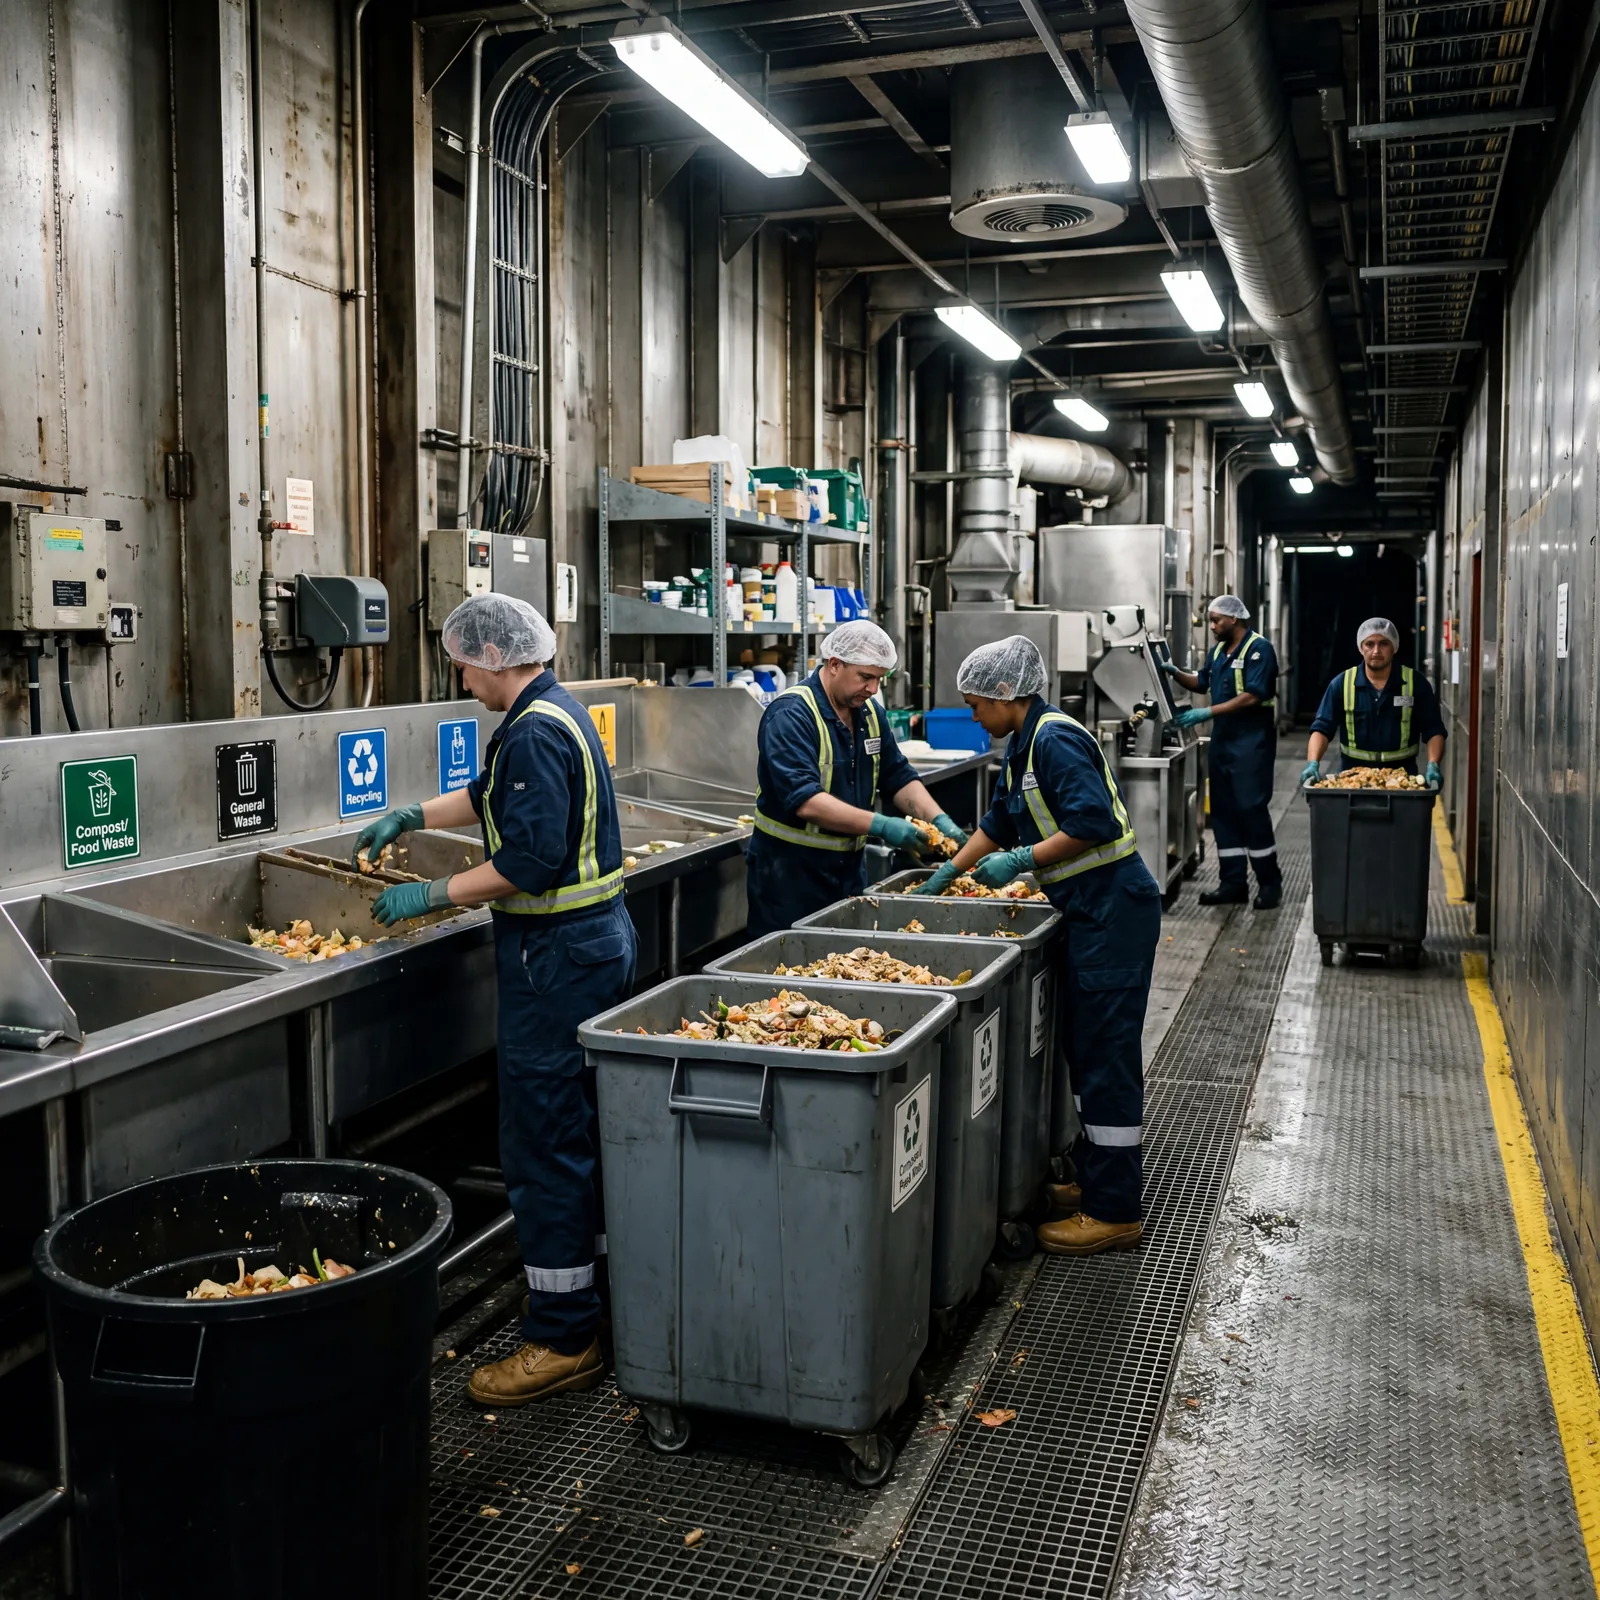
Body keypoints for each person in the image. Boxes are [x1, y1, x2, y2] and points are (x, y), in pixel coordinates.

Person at [354, 594, 634, 1407]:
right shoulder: (549, 712)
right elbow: (486, 796)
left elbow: (534, 861)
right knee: (579, 1129)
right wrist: (408, 816)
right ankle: (597, 1294)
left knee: (543, 1143)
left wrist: (432, 893)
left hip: (557, 957)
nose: (459, 675)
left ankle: (561, 1336)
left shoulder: (538, 729)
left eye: (461, 662)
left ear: (494, 655)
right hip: (586, 948)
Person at [915, 636, 1160, 1255]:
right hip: (1087, 909)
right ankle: (1098, 1178)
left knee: (1105, 1058)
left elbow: (1094, 823)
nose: (973, 715)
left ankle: (1115, 1211)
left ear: (1006, 694)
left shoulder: (1054, 738)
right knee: (1087, 1049)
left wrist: (1023, 862)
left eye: (976, 704)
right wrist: (951, 874)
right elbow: (998, 821)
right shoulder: (1023, 746)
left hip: (1112, 911)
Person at [746, 620, 967, 939]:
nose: (874, 689)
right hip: (789, 879)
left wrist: (940, 821)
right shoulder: (791, 715)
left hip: (848, 874)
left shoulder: (869, 713)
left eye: (879, 679)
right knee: (788, 978)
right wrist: (883, 826)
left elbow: (897, 776)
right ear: (834, 664)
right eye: (866, 677)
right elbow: (805, 801)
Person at [1163, 595, 1283, 910]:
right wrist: (1173, 672)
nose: (1213, 626)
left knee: (1250, 809)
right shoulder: (1219, 651)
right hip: (1224, 743)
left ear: (1234, 619)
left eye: (1216, 620)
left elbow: (1254, 696)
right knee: (1224, 812)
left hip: (1251, 743)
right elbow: (1202, 683)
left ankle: (1269, 884)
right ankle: (1232, 884)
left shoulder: (1260, 649)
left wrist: (1207, 713)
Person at [1302, 617, 1445, 788]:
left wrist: (1433, 764)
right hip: (1353, 780)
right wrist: (1312, 763)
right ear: (1360, 648)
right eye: (1369, 644)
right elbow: (1321, 729)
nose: (1376, 650)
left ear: (1395, 647)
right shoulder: (1342, 684)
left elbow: (1434, 729)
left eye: (1384, 643)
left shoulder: (1416, 684)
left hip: (1403, 780)